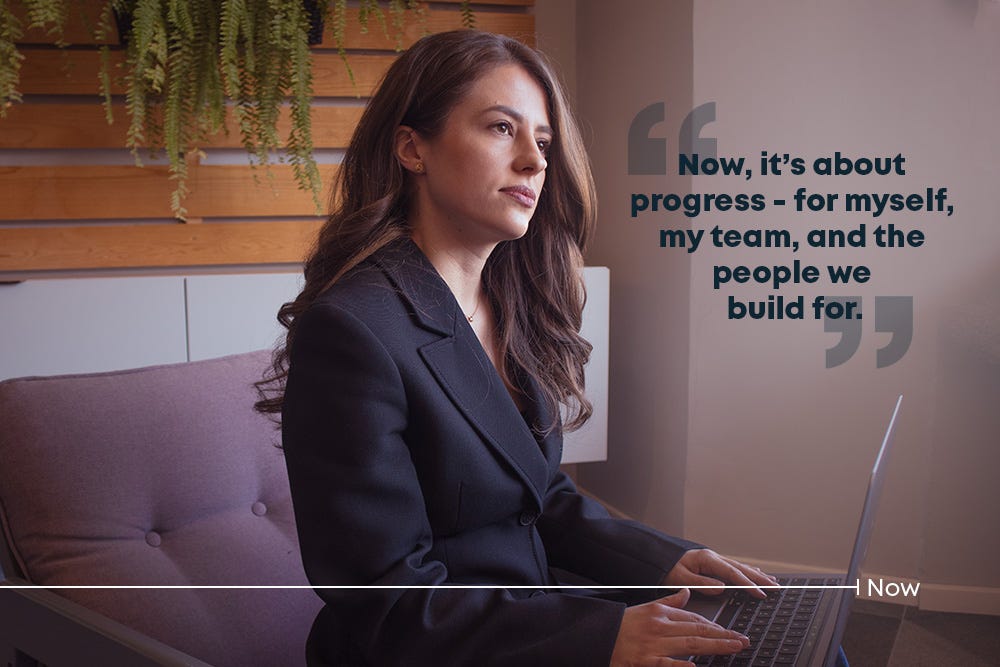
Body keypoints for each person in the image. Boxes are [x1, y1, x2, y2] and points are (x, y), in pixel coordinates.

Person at [256, 30, 778, 667]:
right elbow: (386, 602)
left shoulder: (510, 302)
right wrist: (599, 636)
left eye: (543, 141)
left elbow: (537, 499)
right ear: (412, 147)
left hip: (535, 617)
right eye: (502, 129)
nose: (534, 161)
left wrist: (663, 560)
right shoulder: (353, 331)